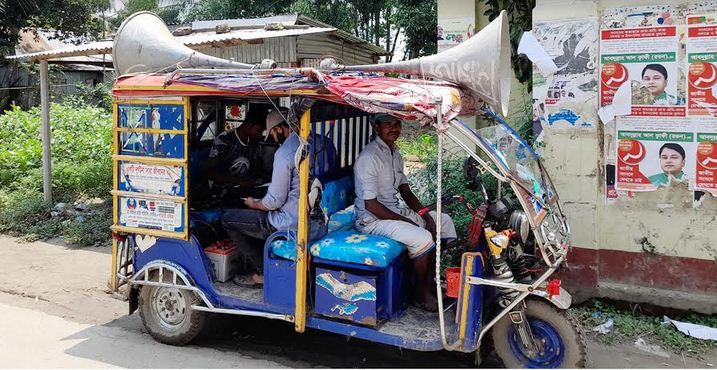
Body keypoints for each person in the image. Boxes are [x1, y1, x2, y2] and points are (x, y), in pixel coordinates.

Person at [353, 113, 457, 311]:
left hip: (393, 212)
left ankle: (426, 279)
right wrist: (407, 221)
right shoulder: (369, 157)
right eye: (387, 124)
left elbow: (406, 192)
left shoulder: (395, 153)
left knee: (443, 222)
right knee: (422, 237)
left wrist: (425, 215)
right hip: (372, 221)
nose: (394, 128)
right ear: (376, 126)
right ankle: (420, 294)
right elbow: (371, 205)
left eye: (397, 124)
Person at [222, 108, 326, 287]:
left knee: (229, 219)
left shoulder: (285, 153)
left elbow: (273, 202)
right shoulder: (319, 142)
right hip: (318, 221)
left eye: (272, 133)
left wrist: (252, 203)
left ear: (278, 129)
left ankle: (262, 272)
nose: (273, 138)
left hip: (291, 223)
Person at [206, 108, 268, 205]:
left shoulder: (254, 141)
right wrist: (239, 181)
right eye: (259, 130)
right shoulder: (224, 139)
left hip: (244, 190)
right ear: (249, 124)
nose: (260, 134)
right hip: (222, 193)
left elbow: (258, 166)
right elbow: (210, 172)